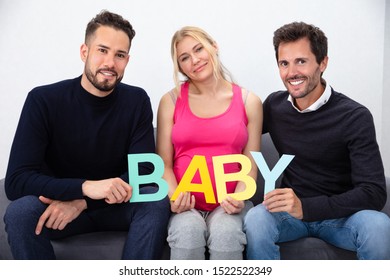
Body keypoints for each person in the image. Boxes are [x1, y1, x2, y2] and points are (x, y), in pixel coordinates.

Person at [3, 10, 170, 260]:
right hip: (58, 207)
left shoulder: (136, 100)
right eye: (102, 50)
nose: (110, 63)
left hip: (114, 207)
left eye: (120, 55)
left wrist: (82, 202)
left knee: (155, 202)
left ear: (127, 59)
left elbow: (144, 171)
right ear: (85, 52)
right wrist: (84, 188)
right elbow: (17, 180)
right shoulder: (43, 100)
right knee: (20, 212)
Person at [244, 21, 390, 260]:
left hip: (342, 218)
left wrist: (308, 208)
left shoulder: (354, 116)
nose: (292, 73)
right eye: (284, 63)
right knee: (256, 219)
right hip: (288, 217)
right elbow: (236, 132)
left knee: (378, 226)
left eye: (301, 61)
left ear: (323, 63)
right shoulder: (274, 106)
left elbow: (373, 191)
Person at [156, 26, 263, 260]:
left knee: (226, 233)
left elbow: (251, 164)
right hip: (185, 206)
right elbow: (163, 163)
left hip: (228, 204)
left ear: (214, 46)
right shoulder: (170, 101)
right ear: (180, 66)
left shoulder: (249, 101)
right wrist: (175, 198)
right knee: (187, 232)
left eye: (198, 49)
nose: (194, 60)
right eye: (184, 57)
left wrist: (239, 198)